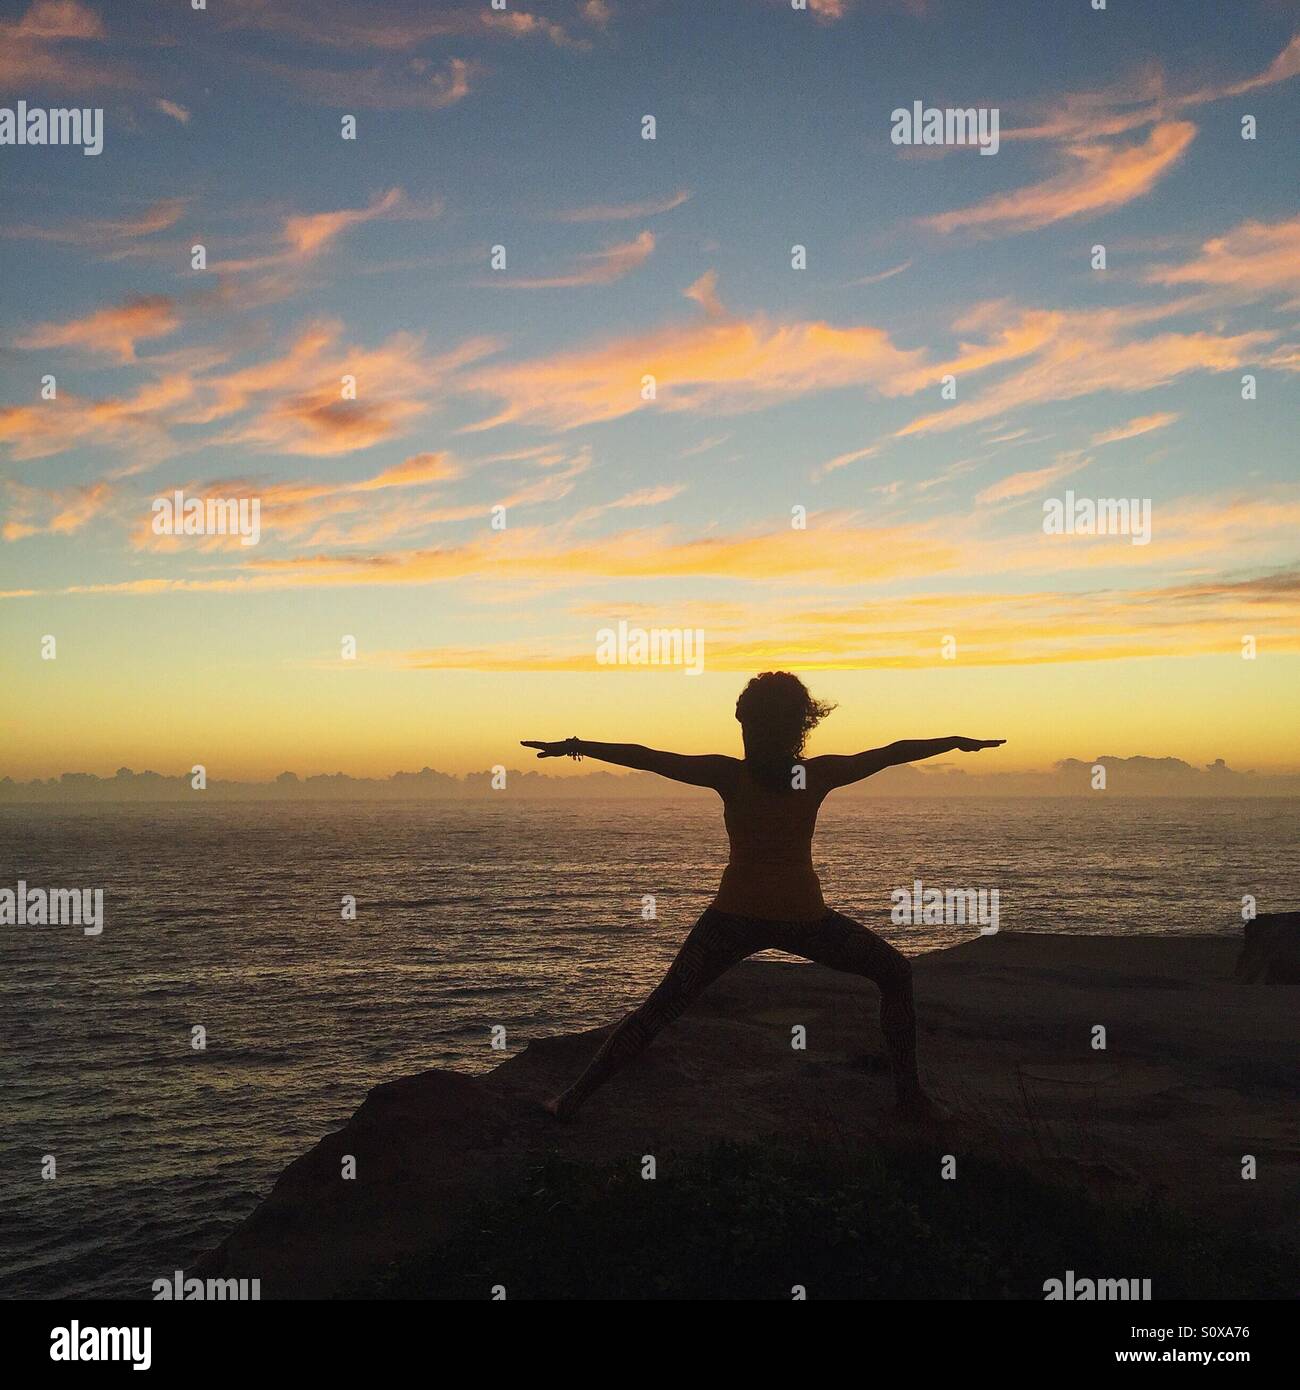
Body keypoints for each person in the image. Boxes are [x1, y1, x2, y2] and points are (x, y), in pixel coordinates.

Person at [522, 671, 1004, 1120]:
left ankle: (571, 1101)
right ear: (802, 724)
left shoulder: (734, 775)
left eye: (751, 722)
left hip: (737, 919)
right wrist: (954, 742)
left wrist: (576, 745)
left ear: (748, 723)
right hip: (802, 920)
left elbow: (647, 756)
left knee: (661, 1008)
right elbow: (891, 751)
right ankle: (909, 1099)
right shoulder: (812, 774)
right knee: (895, 974)